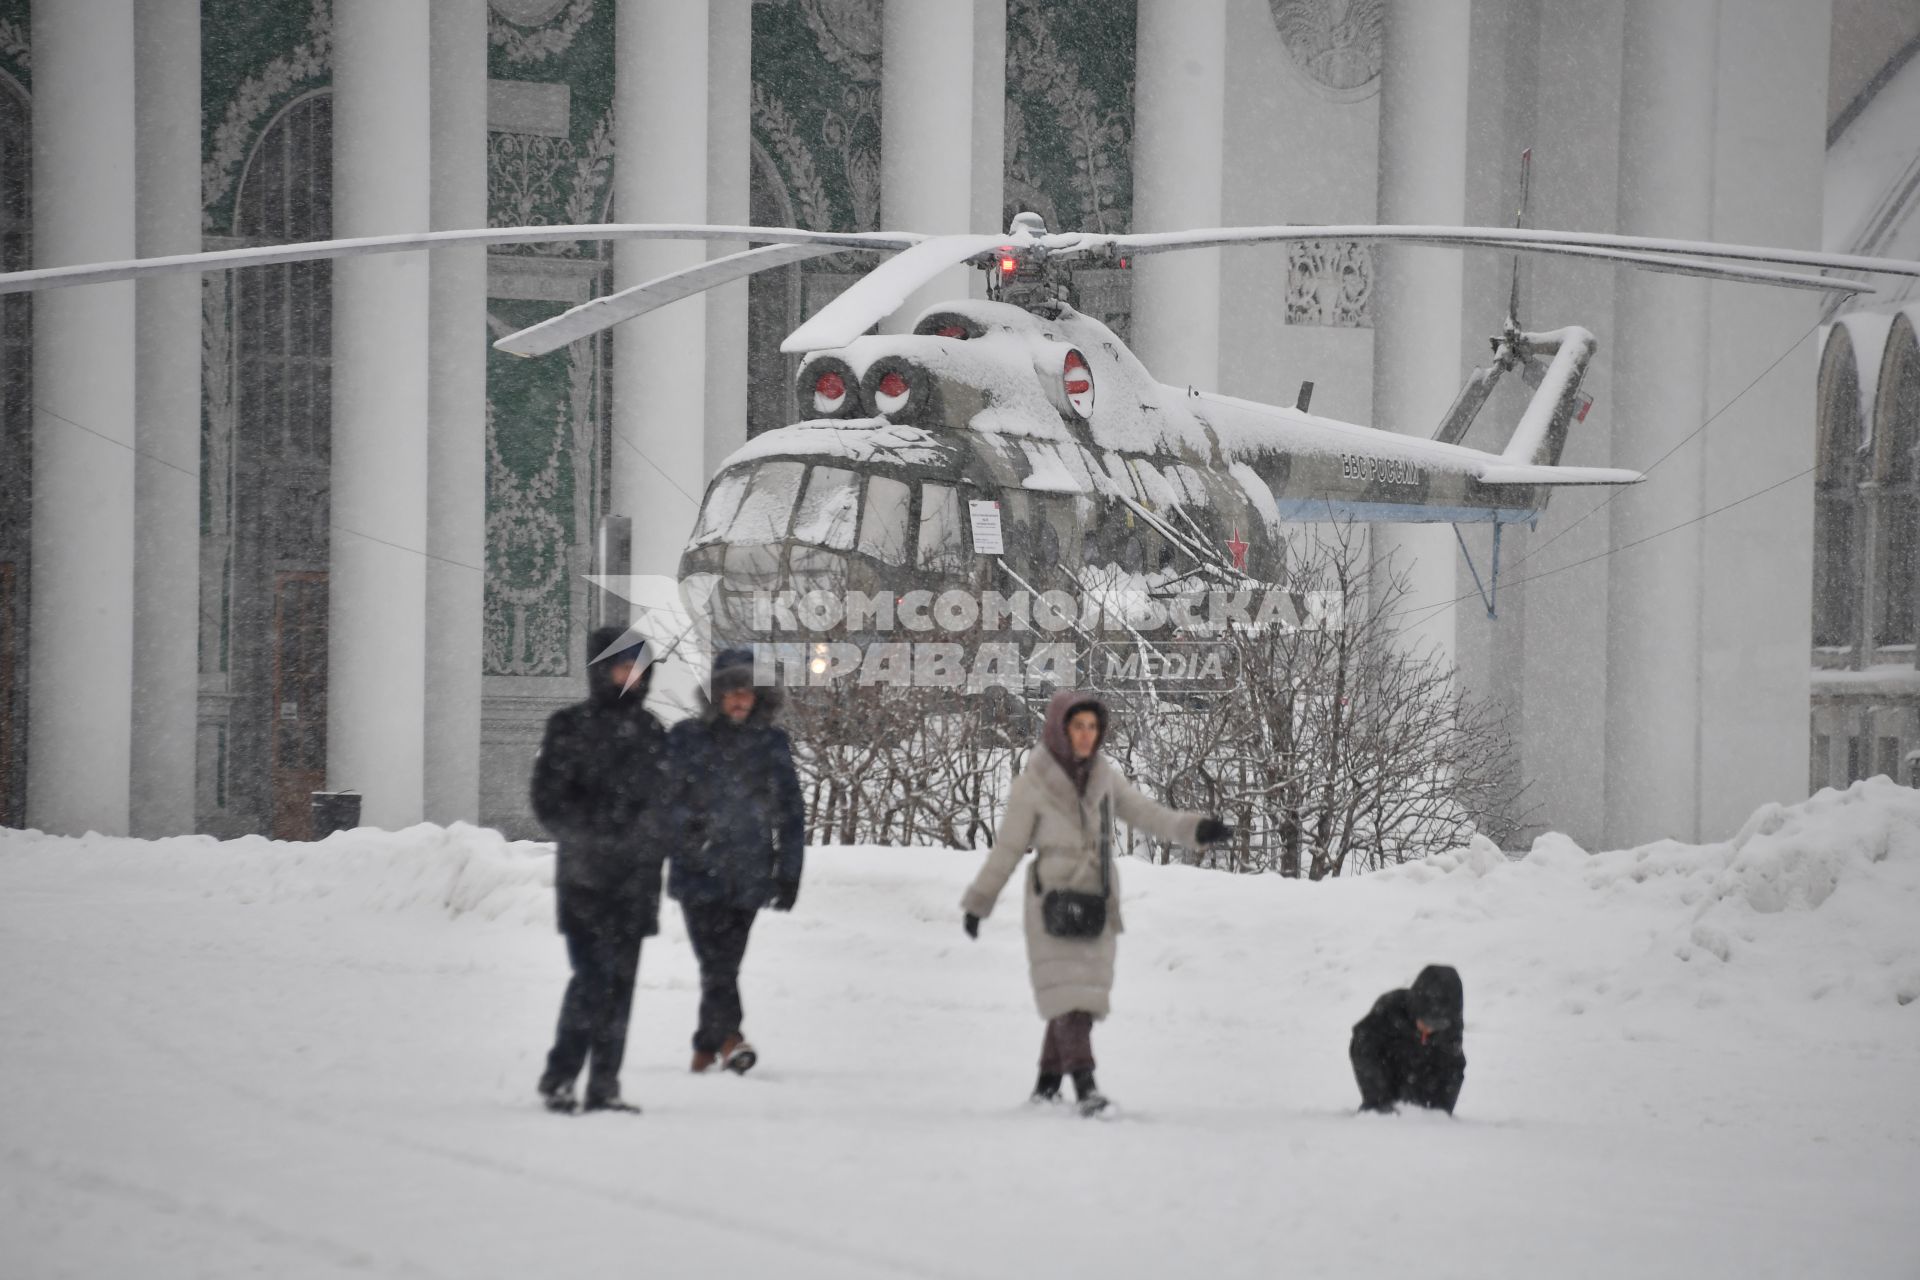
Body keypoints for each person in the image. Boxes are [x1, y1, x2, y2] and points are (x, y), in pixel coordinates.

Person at [961, 689, 1231, 1116]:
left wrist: (1196, 830)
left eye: (1092, 727)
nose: (1086, 736)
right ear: (1059, 729)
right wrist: (979, 902)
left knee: (1076, 990)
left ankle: (1047, 1085)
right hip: (1051, 902)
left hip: (1096, 901)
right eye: (1077, 726)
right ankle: (1086, 1086)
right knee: (1073, 999)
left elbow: (1148, 814)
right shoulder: (1032, 785)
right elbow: (1008, 850)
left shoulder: (1105, 777)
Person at [529, 625, 671, 1115]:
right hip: (587, 879)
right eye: (621, 665)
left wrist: (658, 833)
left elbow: (666, 802)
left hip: (636, 881)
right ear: (600, 669)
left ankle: (605, 1084)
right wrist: (595, 833)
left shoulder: (653, 731)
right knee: (591, 978)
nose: (630, 675)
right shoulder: (569, 726)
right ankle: (560, 1077)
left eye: (638, 667)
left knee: (622, 986)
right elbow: (548, 800)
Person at [666, 647, 806, 1074]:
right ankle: (731, 1039)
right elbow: (662, 800)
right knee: (717, 961)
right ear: (716, 695)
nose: (740, 699)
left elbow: (791, 811)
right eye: (732, 691)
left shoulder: (771, 743)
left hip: (749, 873)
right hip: (698, 872)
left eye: (748, 691)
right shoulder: (687, 738)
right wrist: (689, 831)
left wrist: (789, 872)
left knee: (723, 962)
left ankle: (708, 1043)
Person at [1349, 964, 1466, 1115]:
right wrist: (1378, 1099)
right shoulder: (1390, 1009)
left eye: (1438, 1024)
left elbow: (1452, 1068)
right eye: (1426, 1020)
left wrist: (1439, 1112)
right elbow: (1363, 1048)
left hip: (1423, 1088)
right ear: (1416, 1006)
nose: (1429, 1029)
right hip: (1387, 1078)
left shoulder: (1450, 1026)